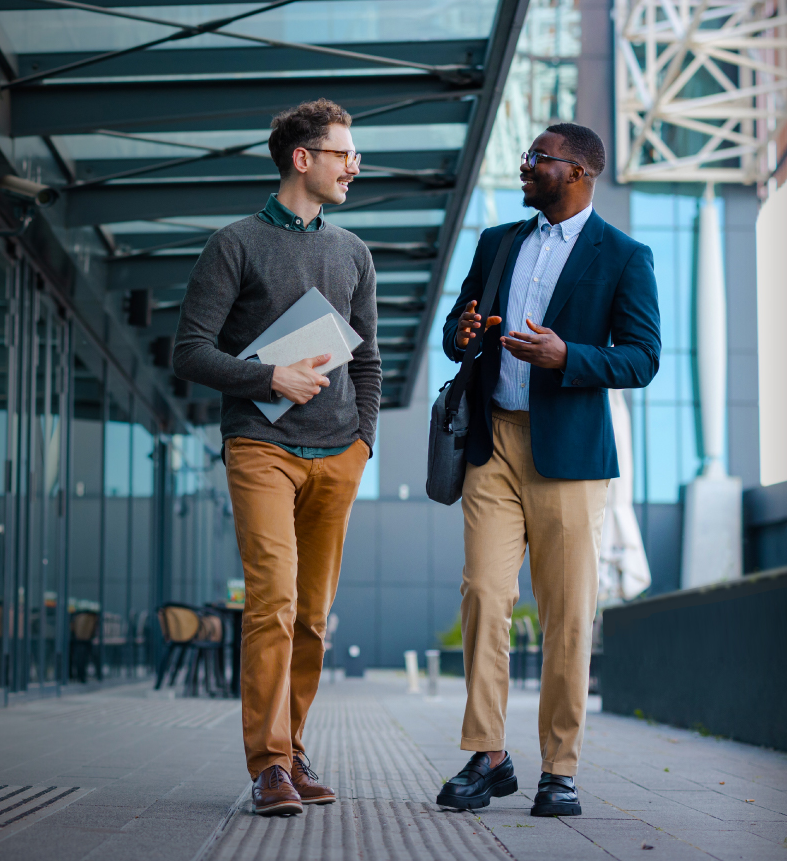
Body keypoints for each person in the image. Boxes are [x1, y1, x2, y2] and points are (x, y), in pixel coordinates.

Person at [436, 123, 660, 817]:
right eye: (528, 157)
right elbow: (456, 329)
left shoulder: (624, 255)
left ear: (582, 171)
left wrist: (571, 358)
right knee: (483, 594)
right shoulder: (499, 241)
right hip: (492, 445)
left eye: (539, 158)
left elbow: (643, 358)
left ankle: (559, 768)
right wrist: (462, 335)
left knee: (567, 616)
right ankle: (487, 754)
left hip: (569, 455)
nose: (525, 165)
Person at [173, 99, 381, 817]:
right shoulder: (234, 243)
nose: (355, 165)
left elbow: (370, 361)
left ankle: (292, 750)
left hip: (337, 454)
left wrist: (364, 444)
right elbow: (190, 350)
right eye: (344, 153)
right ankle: (267, 766)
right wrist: (270, 378)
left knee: (315, 617)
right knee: (274, 604)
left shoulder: (354, 252)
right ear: (303, 158)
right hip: (260, 447)